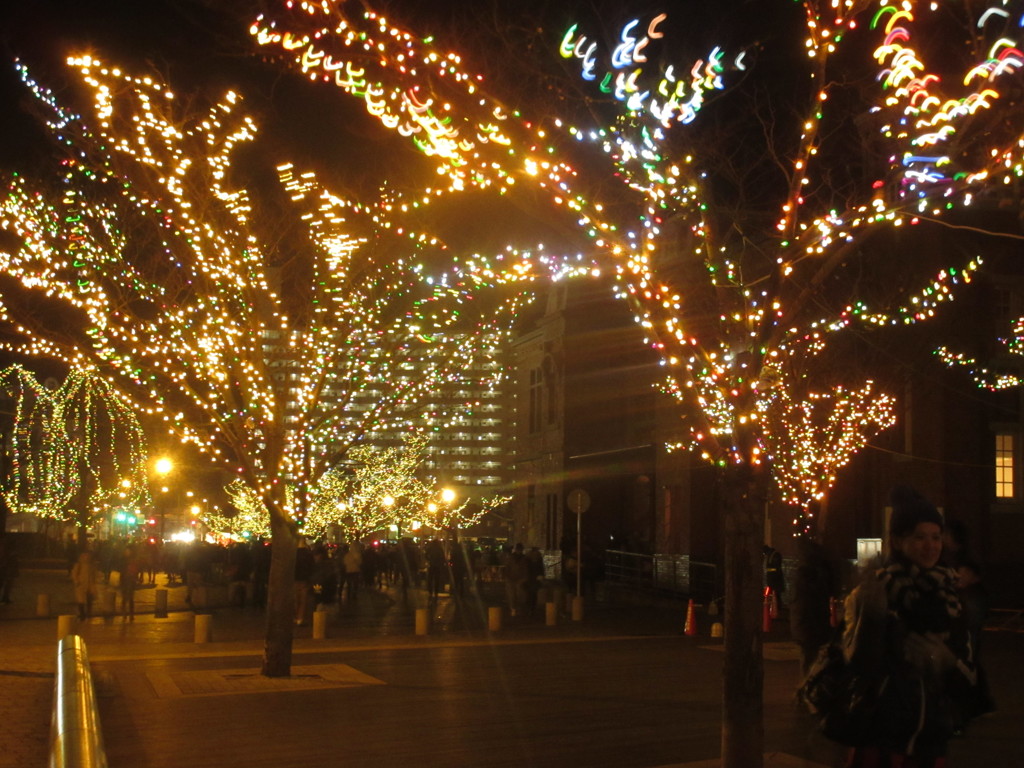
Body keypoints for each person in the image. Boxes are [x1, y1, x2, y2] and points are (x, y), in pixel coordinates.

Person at [840, 485, 977, 767]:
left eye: (936, 537)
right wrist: (874, 619)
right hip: (881, 736)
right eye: (919, 537)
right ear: (899, 541)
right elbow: (856, 663)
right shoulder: (876, 589)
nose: (930, 546)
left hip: (931, 735)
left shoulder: (950, 594)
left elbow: (970, 672)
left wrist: (946, 660)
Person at [789, 536, 839, 676]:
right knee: (810, 659)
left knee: (810, 658)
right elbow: (823, 593)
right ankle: (807, 687)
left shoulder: (804, 573)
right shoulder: (810, 575)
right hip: (811, 625)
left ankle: (808, 685)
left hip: (807, 625)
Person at [71, 548, 99, 620]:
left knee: (89, 600)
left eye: (88, 555)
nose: (86, 557)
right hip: (81, 584)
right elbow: (74, 573)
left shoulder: (92, 565)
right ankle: (82, 614)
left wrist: (94, 582)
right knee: (81, 601)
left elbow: (94, 574)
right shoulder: (79, 564)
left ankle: (89, 613)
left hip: (90, 584)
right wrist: (77, 581)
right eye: (85, 555)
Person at [294, 537, 314, 625]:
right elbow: (312, 566)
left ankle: (294, 616)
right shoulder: (308, 554)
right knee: (303, 600)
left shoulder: (292, 553)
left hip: (294, 578)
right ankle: (300, 617)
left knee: (295, 599)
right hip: (305, 579)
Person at [119, 544, 140, 620]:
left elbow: (136, 570)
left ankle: (131, 614)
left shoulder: (132, 560)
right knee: (124, 598)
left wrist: (136, 577)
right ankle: (124, 613)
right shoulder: (123, 560)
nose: (127, 552)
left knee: (130, 598)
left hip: (131, 580)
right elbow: (121, 570)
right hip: (124, 579)